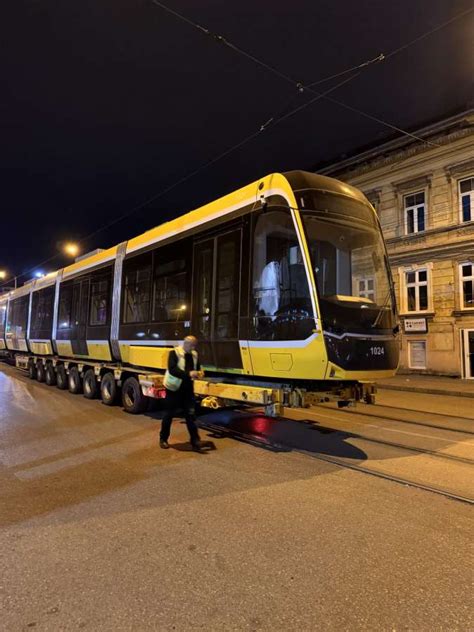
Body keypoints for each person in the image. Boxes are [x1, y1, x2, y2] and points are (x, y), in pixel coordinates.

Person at [160, 335, 204, 451]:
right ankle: (163, 439)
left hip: (188, 389)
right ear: (186, 344)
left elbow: (198, 367)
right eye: (192, 345)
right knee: (168, 415)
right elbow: (172, 369)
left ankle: (195, 440)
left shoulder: (194, 354)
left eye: (195, 345)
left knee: (190, 415)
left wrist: (200, 373)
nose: (194, 347)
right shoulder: (174, 353)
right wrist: (189, 374)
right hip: (173, 389)